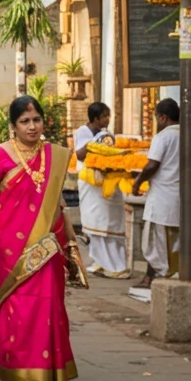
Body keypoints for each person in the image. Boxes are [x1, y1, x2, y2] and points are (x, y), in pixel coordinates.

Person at [0, 96, 83, 381]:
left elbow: (58, 204)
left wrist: (71, 242)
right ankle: (15, 368)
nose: (32, 126)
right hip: (7, 245)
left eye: (36, 119)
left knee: (49, 301)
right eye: (25, 121)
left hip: (48, 242)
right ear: (12, 126)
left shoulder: (55, 155)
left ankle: (51, 370)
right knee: (15, 303)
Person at [74, 103, 130, 278]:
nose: (108, 119)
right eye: (105, 116)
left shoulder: (107, 135)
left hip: (108, 183)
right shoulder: (83, 132)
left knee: (111, 222)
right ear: (95, 118)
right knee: (96, 222)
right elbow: (80, 154)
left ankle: (116, 265)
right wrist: (94, 144)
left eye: (109, 115)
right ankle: (103, 262)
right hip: (92, 185)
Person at [135, 98, 181, 289]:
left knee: (157, 241)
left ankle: (163, 277)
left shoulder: (163, 137)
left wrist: (137, 182)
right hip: (178, 196)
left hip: (162, 196)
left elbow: (152, 164)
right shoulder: (187, 136)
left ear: (163, 117)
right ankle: (154, 277)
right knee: (171, 241)